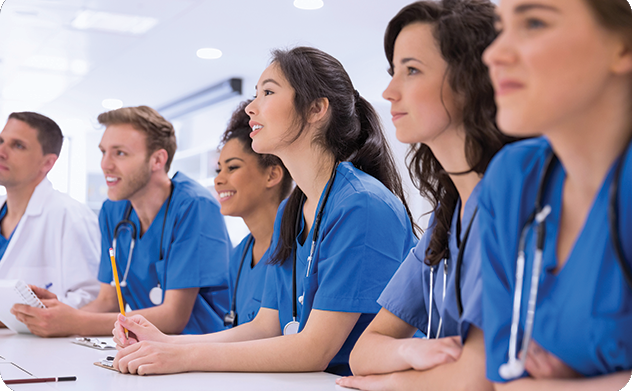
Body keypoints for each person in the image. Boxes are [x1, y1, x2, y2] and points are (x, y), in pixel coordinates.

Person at [111, 46, 417, 376]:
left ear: (316, 109)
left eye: (268, 92)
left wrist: (182, 358)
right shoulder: (292, 208)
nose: (251, 109)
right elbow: (265, 326)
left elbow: (313, 350)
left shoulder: (362, 205)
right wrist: (167, 343)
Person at [337, 0, 514, 390]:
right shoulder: (447, 215)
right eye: (393, 71)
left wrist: (393, 383)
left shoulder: (512, 203)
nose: (388, 92)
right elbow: (363, 353)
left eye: (411, 70)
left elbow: (476, 378)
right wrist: (411, 353)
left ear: (472, 81)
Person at [479, 0, 632, 389]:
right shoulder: (513, 178)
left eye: (534, 23)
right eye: (500, 30)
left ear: (623, 47)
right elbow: (507, 376)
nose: (493, 54)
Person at [11, 106, 231, 337]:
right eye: (103, 152)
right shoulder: (113, 210)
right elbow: (108, 300)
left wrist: (75, 322)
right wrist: (56, 317)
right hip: (148, 348)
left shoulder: (194, 205)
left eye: (120, 153)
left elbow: (173, 317)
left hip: (202, 352)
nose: (105, 164)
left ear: (157, 159)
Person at [0, 112, 99, 311]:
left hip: (41, 342)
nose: (2, 151)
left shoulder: (71, 216)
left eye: (18, 145)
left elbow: (93, 299)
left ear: (47, 163)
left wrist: (21, 310)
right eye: (1, 140)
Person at [215, 99, 292, 327]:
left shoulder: (295, 249)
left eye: (233, 167)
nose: (218, 180)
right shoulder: (239, 256)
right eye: (218, 169)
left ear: (272, 175)